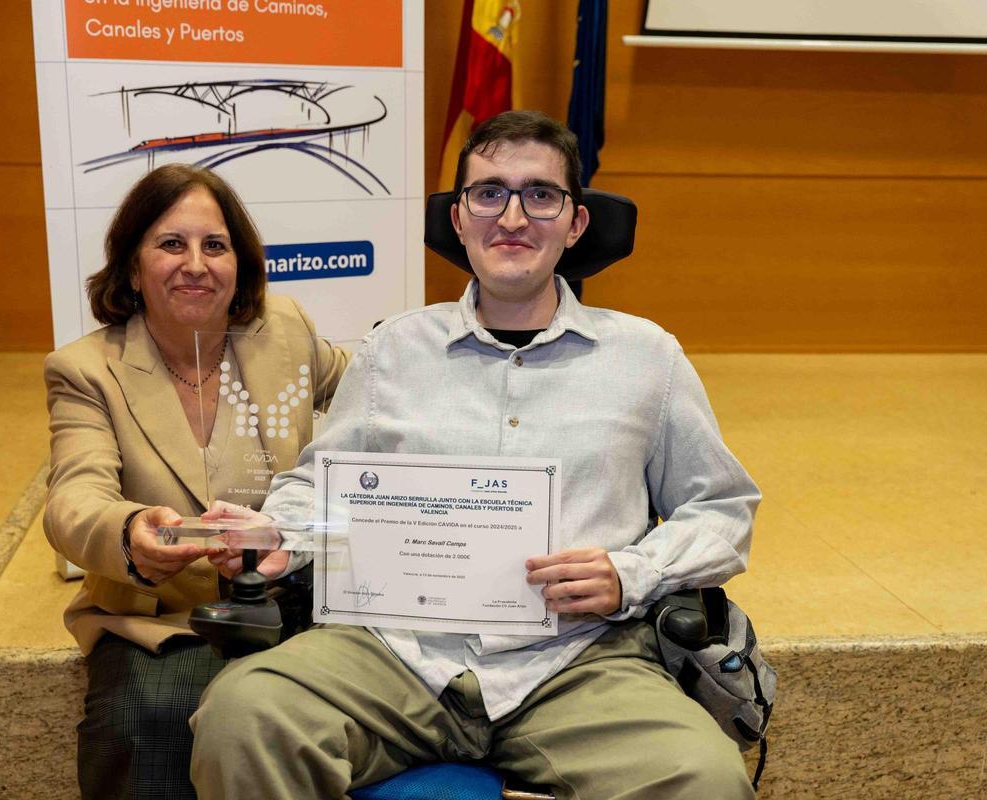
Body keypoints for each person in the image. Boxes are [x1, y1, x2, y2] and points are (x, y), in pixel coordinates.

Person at [190, 111, 761, 799]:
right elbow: (321, 488)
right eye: (489, 193)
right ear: (458, 220)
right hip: (395, 653)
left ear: (576, 223)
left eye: (540, 195)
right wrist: (280, 536)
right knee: (242, 715)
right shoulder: (392, 350)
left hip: (575, 661)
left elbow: (722, 509)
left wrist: (631, 571)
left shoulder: (647, 359)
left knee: (704, 778)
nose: (512, 217)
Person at [43, 163, 348, 799]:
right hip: (168, 616)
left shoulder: (283, 331)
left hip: (295, 596)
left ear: (240, 263)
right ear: (131, 267)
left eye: (215, 245)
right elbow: (74, 497)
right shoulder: (85, 370)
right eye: (171, 244)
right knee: (141, 725)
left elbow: (373, 398)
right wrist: (128, 533)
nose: (196, 264)